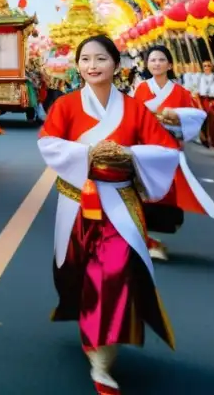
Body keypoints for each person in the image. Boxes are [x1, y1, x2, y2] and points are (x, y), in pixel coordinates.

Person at [38, 35, 181, 394]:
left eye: (100, 58)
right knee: (77, 273)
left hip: (118, 204)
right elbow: (48, 144)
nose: (91, 66)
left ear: (116, 63)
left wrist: (130, 157)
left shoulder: (134, 109)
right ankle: (90, 330)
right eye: (85, 59)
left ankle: (102, 363)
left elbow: (164, 150)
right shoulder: (67, 105)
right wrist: (88, 154)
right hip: (77, 203)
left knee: (113, 273)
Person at [131, 46, 214, 261]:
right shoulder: (140, 89)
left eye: (161, 60)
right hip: (144, 148)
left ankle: (154, 236)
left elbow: (193, 120)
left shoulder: (181, 92)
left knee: (165, 191)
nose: (157, 63)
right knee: (141, 191)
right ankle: (144, 239)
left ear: (169, 65)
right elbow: (132, 117)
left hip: (169, 148)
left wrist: (175, 120)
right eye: (152, 60)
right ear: (147, 64)